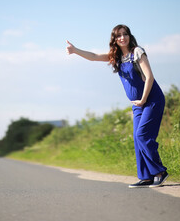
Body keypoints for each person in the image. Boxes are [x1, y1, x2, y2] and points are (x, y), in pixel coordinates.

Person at [66, 24, 168, 188]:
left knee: (143, 135)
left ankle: (159, 172)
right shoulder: (116, 56)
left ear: (129, 36)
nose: (122, 37)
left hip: (152, 100)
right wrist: (75, 50)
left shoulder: (137, 52)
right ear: (114, 39)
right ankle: (146, 176)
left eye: (125, 34)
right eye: (118, 35)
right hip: (138, 105)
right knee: (137, 138)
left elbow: (149, 77)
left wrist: (142, 100)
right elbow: (93, 56)